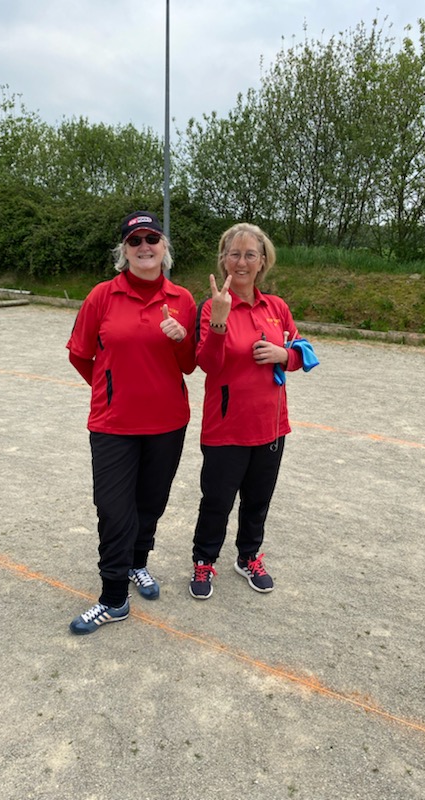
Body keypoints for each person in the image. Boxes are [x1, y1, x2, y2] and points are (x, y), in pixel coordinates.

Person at [67, 211, 196, 634]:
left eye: (152, 238)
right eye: (135, 240)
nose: (144, 246)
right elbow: (80, 354)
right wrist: (110, 388)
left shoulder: (182, 300)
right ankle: (113, 598)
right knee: (113, 509)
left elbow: (190, 365)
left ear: (164, 247)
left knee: (150, 504)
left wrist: (181, 341)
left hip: (167, 422)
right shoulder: (102, 296)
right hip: (113, 424)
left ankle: (138, 564)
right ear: (124, 251)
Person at [189, 222, 312, 600]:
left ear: (263, 262)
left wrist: (284, 355)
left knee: (258, 499)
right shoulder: (211, 306)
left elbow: (305, 352)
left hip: (271, 426)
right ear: (224, 260)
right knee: (217, 501)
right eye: (234, 254)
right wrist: (221, 319)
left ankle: (248, 556)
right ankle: (204, 560)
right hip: (227, 426)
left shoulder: (277, 307)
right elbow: (207, 362)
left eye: (250, 255)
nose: (241, 262)